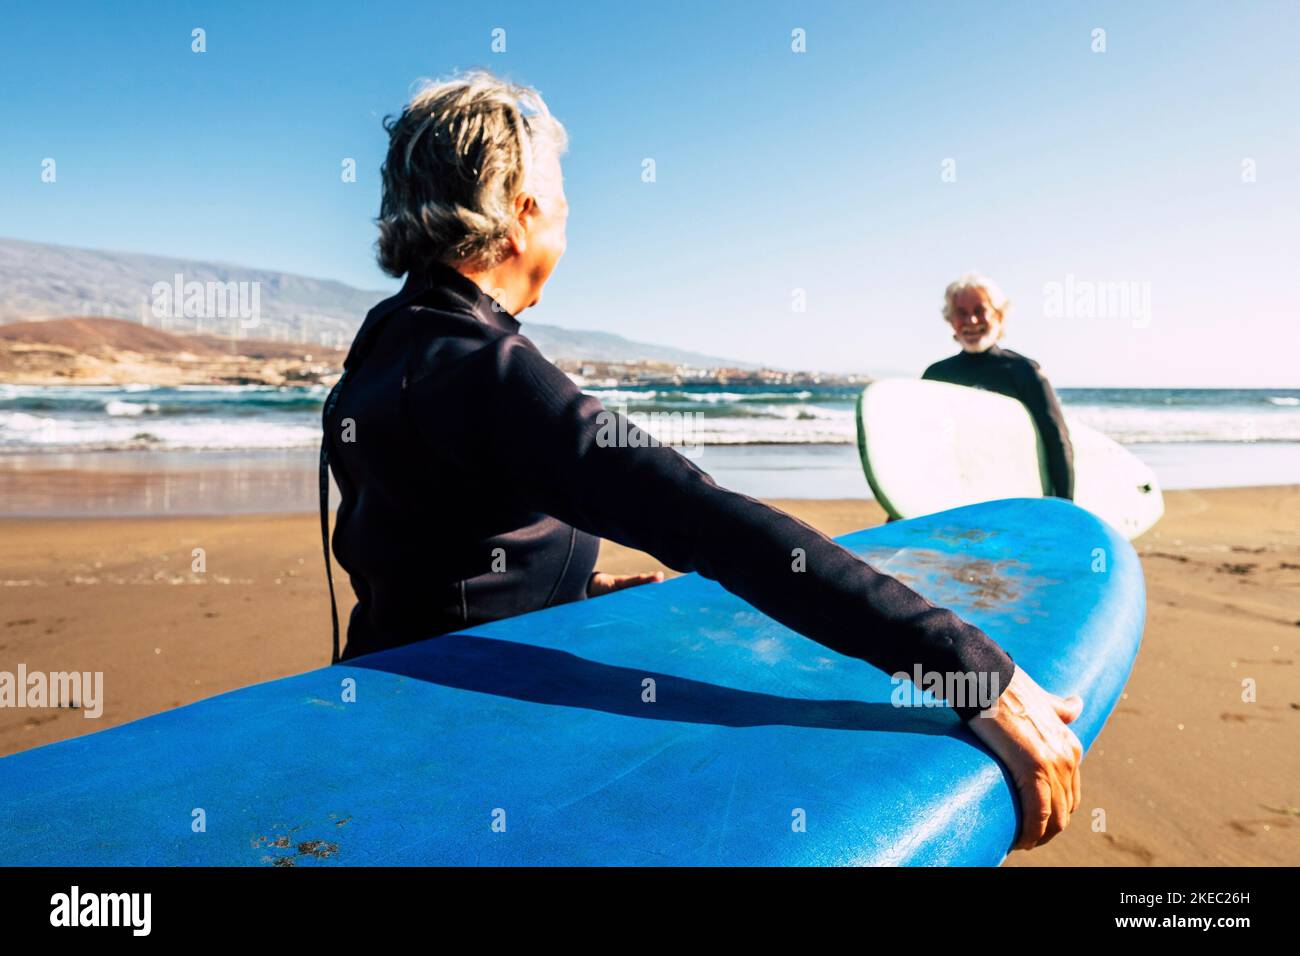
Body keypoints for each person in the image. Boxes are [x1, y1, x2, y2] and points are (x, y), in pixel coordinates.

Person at [320, 71, 1083, 850]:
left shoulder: (385, 349)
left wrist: (564, 586)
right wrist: (965, 666)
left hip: (387, 693)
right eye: (563, 206)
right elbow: (703, 519)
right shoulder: (482, 367)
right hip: (461, 738)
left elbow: (418, 536)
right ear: (522, 213)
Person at [923, 274, 1074, 500]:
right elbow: (923, 445)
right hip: (954, 499)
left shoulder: (1024, 372)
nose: (971, 321)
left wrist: (1064, 507)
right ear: (950, 320)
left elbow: (1056, 441)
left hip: (1008, 500)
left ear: (999, 315)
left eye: (980, 311)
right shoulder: (936, 375)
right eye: (961, 313)